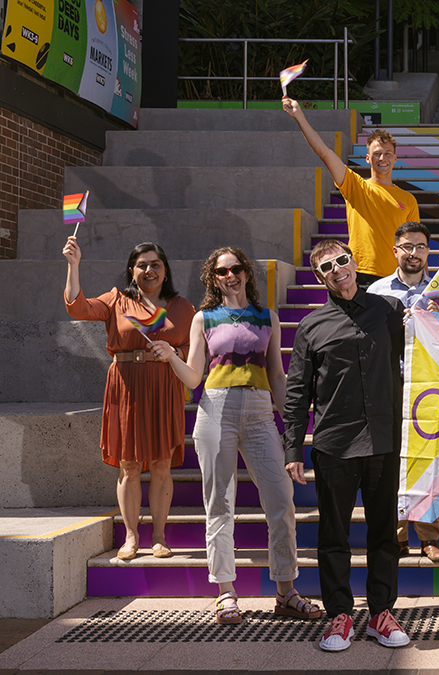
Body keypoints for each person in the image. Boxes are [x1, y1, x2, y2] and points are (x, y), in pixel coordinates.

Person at [148, 247, 322, 625]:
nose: (231, 275)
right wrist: (171, 357)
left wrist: (292, 422)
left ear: (247, 273)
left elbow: (277, 374)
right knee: (219, 505)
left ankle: (286, 591)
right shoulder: (204, 318)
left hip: (261, 412)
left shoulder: (268, 317)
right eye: (222, 271)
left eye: (237, 268)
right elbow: (194, 377)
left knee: (281, 501)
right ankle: (226, 593)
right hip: (215, 410)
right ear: (213, 278)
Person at [283, 240, 409, 652]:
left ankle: (380, 614)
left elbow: (425, 351)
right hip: (335, 443)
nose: (338, 270)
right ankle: (339, 614)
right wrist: (291, 451)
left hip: (384, 441)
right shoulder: (311, 326)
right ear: (319, 278)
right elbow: (297, 392)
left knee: (384, 534)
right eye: (326, 267)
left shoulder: (389, 311)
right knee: (333, 536)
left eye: (342, 261)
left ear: (354, 262)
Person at [63, 238, 195, 561]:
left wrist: (175, 352)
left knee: (162, 464)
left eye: (155, 265)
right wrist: (74, 265)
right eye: (142, 265)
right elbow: (77, 307)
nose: (149, 270)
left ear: (165, 271)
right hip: (126, 388)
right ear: (132, 271)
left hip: (164, 387)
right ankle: (132, 536)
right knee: (129, 465)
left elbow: (193, 354)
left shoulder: (182, 307)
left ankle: (160, 538)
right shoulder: (117, 301)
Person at [365, 221, 439, 563]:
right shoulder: (376, 291)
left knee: (430, 461)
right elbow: (366, 339)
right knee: (393, 462)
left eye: (420, 247)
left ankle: (429, 538)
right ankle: (396, 535)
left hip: (434, 386)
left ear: (428, 251)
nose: (414, 253)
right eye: (407, 247)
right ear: (395, 250)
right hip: (391, 382)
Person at [283, 97, 420, 289]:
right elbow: (324, 152)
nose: (382, 158)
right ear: (367, 158)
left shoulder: (408, 199)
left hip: (396, 279)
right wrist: (299, 116)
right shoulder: (355, 185)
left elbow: (416, 245)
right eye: (376, 154)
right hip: (360, 275)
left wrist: (423, 283)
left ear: (395, 158)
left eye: (388, 153)